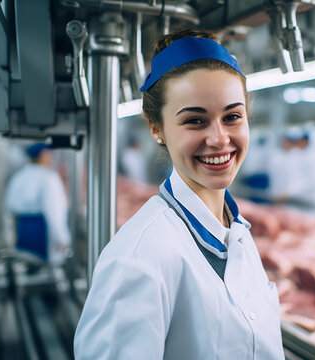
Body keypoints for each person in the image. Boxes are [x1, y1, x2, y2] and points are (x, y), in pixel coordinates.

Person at [74, 29, 284, 359]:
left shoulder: (238, 232)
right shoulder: (139, 258)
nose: (219, 138)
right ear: (155, 128)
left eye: (232, 117)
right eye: (195, 121)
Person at [5, 143, 71, 266]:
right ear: (43, 155)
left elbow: (10, 207)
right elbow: (54, 211)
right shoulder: (49, 177)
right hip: (41, 230)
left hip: (22, 229)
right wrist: (62, 238)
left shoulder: (18, 176)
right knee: (43, 270)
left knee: (26, 266)